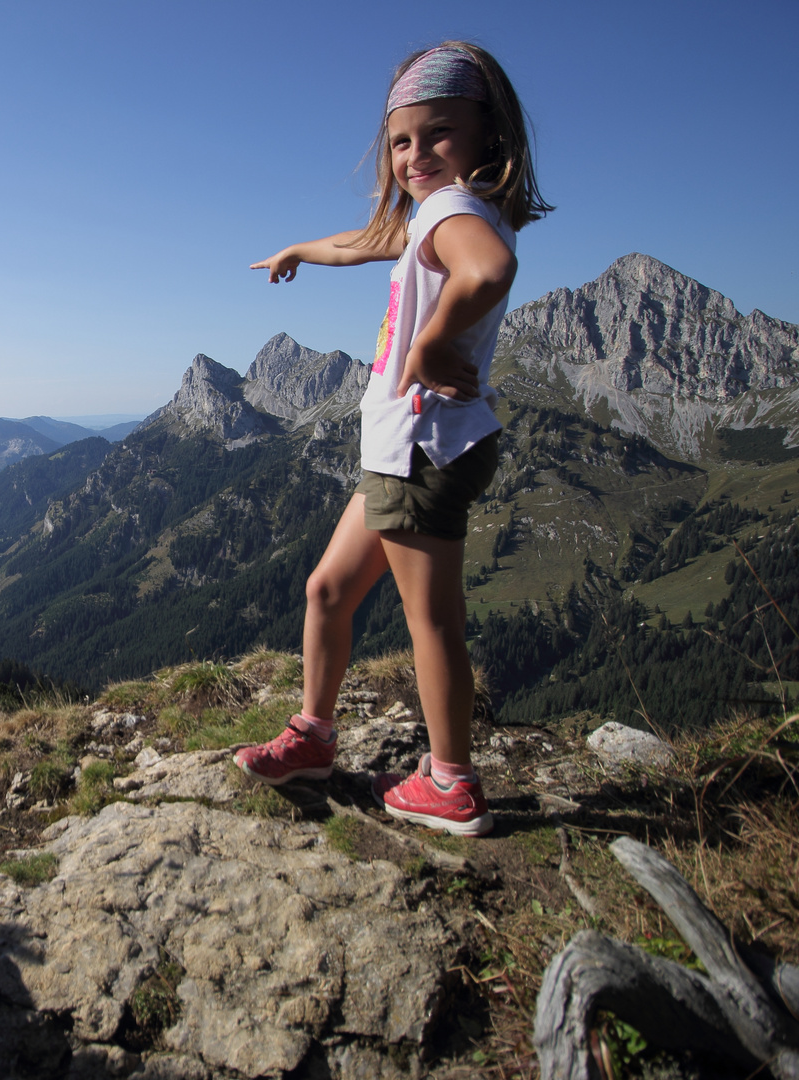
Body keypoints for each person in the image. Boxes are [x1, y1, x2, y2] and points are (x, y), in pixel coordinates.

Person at [233, 42, 551, 837]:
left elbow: (492, 269)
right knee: (327, 590)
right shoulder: (427, 219)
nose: (415, 155)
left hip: (423, 451)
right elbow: (369, 241)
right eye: (401, 140)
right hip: (399, 451)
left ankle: (451, 783)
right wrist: (300, 251)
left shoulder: (454, 214)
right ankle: (311, 739)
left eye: (437, 134)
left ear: (490, 138)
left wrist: (437, 341)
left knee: (431, 621)